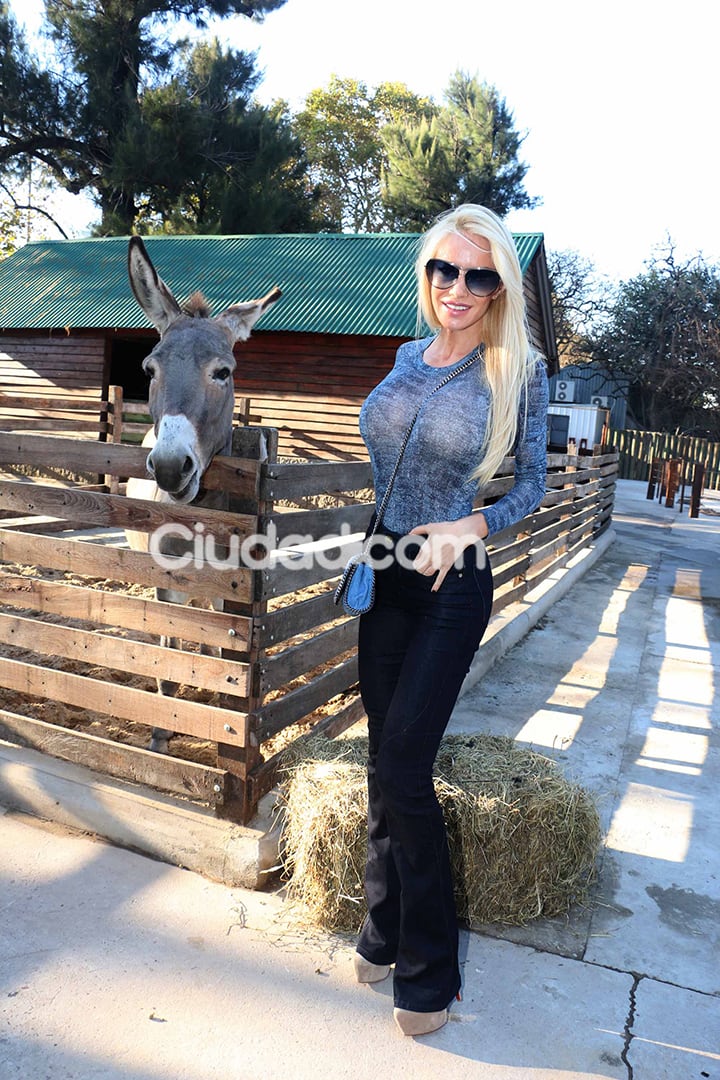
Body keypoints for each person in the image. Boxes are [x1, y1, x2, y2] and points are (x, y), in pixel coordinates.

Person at [353, 203, 549, 1036]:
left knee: (405, 765)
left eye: (478, 274)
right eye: (445, 270)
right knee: (379, 761)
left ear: (499, 284)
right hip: (386, 571)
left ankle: (430, 968)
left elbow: (534, 484)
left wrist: (472, 525)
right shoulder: (406, 356)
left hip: (451, 585)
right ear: (427, 273)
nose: (459, 288)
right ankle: (381, 926)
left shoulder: (519, 372)